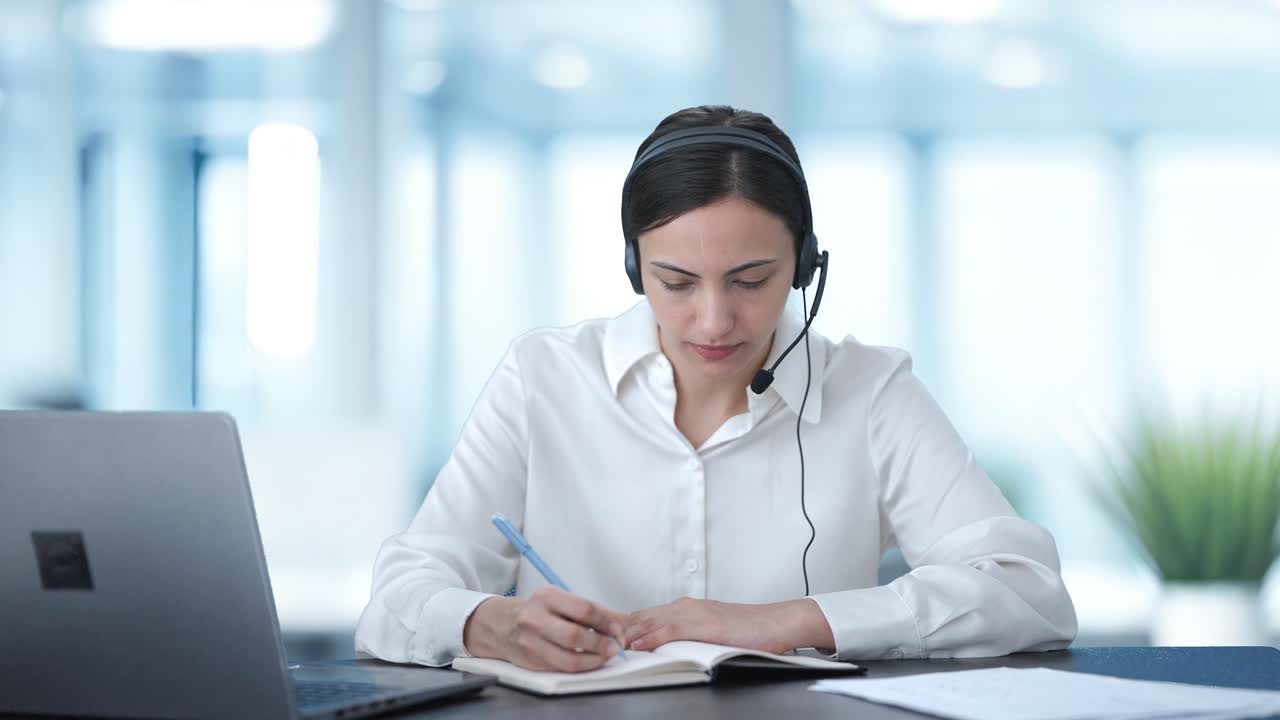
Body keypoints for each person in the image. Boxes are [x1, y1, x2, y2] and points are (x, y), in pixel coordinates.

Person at [353, 105, 1078, 673]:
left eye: (750, 280)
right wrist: (488, 622)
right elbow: (395, 599)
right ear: (636, 269)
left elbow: (1028, 595)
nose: (713, 320)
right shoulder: (542, 377)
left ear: (803, 265)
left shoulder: (871, 390)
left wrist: (786, 621)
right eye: (675, 282)